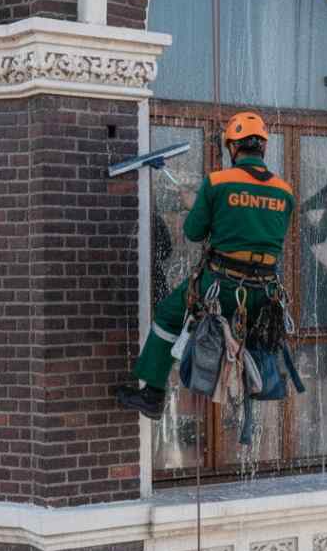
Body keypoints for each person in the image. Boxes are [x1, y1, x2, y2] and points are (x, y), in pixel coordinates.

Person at [116, 112, 295, 420]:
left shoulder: (217, 182)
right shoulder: (284, 190)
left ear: (233, 147)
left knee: (169, 315)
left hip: (222, 284)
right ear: (263, 147)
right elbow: (264, 233)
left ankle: (152, 393)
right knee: (251, 336)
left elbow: (193, 233)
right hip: (265, 292)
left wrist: (196, 205)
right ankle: (249, 394)